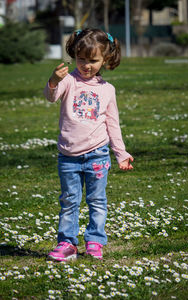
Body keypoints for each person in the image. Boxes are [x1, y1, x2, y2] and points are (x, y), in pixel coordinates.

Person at [44, 28, 133, 261]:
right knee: (69, 201)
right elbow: (51, 97)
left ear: (106, 59)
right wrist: (54, 80)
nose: (86, 65)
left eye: (93, 60)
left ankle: (94, 241)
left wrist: (120, 153)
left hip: (97, 155)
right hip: (68, 156)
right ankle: (67, 244)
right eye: (81, 59)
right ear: (74, 55)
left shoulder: (107, 90)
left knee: (97, 200)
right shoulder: (69, 82)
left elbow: (113, 124)